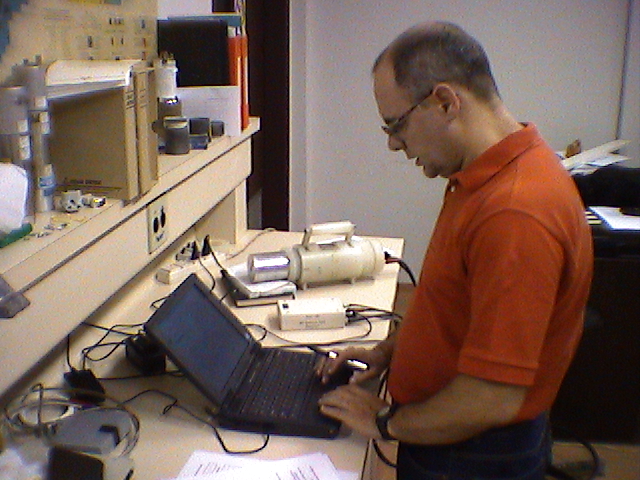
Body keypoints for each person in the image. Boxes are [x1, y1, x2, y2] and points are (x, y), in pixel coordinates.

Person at [317, 21, 593, 480]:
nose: (393, 144)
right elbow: (456, 306)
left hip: (470, 452)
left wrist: (384, 422)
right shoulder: (489, 174)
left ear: (445, 102)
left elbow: (491, 397)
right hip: (459, 437)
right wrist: (390, 351)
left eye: (397, 125)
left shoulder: (515, 213)